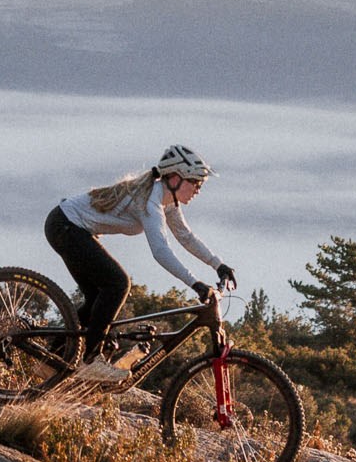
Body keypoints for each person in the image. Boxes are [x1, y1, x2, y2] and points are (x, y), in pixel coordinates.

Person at [48, 145, 237, 383]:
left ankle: (51, 360)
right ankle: (91, 360)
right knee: (118, 283)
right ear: (175, 178)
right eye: (195, 182)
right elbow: (161, 251)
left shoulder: (167, 201)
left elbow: (186, 237)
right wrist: (195, 283)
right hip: (65, 227)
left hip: (69, 227)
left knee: (98, 298)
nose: (198, 189)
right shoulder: (150, 201)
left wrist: (218, 265)